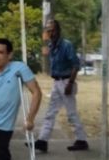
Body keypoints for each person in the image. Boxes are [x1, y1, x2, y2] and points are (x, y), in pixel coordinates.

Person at [34, 19, 89, 152]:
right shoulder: (51, 45)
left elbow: (76, 65)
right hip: (56, 82)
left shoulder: (66, 45)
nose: (50, 33)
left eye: (52, 30)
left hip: (66, 81)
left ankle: (81, 140)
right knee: (50, 112)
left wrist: (70, 83)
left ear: (58, 30)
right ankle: (42, 141)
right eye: (48, 30)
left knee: (71, 113)